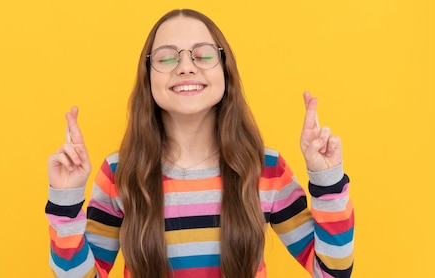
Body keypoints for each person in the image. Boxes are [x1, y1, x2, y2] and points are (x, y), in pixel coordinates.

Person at [45, 8, 353, 278]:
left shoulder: (266, 169)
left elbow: (331, 271)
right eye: (167, 57)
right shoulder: (119, 173)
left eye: (203, 54)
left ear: (225, 69)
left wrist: (326, 179)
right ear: (147, 77)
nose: (186, 67)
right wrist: (66, 199)